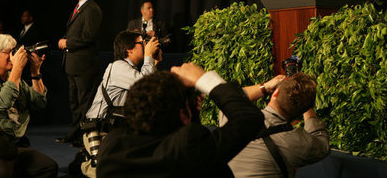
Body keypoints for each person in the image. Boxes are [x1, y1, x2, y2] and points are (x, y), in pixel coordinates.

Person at [96, 63, 265, 177]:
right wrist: (203, 79)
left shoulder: (111, 146)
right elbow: (248, 118)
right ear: (184, 114)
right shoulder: (189, 147)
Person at [0, 34, 58, 177]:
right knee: (0, 174)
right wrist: (17, 70)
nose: (14, 55)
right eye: (8, 52)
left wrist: (35, 72)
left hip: (9, 146)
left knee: (47, 167)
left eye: (14, 51)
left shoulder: (13, 78)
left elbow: (39, 102)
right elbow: (3, 101)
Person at [71, 30, 161, 177]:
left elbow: (150, 91)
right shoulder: (118, 66)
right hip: (100, 131)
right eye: (141, 43)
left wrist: (153, 63)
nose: (145, 45)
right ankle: (84, 161)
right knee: (102, 172)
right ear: (129, 49)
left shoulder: (131, 70)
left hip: (117, 132)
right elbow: (144, 85)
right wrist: (149, 58)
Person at [222, 73, 330, 178]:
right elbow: (322, 142)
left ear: (275, 93)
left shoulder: (234, 118)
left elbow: (231, 96)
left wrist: (266, 86)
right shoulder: (300, 143)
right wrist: (305, 103)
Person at [57, 0, 103, 147]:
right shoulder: (79, 7)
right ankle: (75, 133)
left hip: (85, 65)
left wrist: (68, 42)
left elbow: (89, 37)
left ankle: (85, 136)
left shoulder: (92, 9)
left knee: (85, 101)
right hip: (73, 64)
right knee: (74, 100)